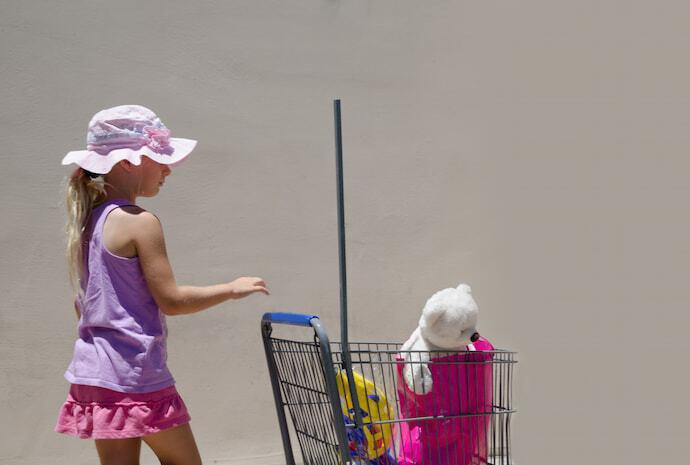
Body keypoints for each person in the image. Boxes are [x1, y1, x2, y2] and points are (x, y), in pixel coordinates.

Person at [55, 105, 269, 465]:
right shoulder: (140, 222)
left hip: (94, 374)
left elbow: (83, 305)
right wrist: (231, 289)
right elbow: (172, 300)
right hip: (135, 373)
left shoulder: (86, 222)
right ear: (127, 162)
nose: (168, 169)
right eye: (159, 158)